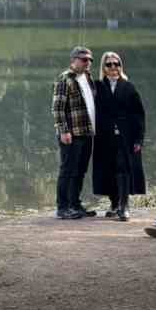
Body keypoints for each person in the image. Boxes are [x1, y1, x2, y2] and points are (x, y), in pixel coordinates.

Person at [92, 51, 146, 221]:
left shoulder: (129, 87)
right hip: (104, 136)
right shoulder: (98, 86)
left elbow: (139, 115)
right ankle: (114, 204)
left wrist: (139, 139)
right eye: (109, 64)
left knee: (123, 168)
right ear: (103, 67)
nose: (113, 67)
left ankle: (124, 207)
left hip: (126, 136)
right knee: (108, 169)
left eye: (117, 64)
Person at [52, 46, 99, 219]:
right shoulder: (65, 79)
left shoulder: (87, 77)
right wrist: (64, 131)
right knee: (67, 170)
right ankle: (62, 207)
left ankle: (75, 204)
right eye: (84, 59)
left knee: (80, 170)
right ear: (73, 60)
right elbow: (57, 108)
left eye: (90, 60)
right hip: (72, 134)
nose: (88, 63)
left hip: (87, 132)